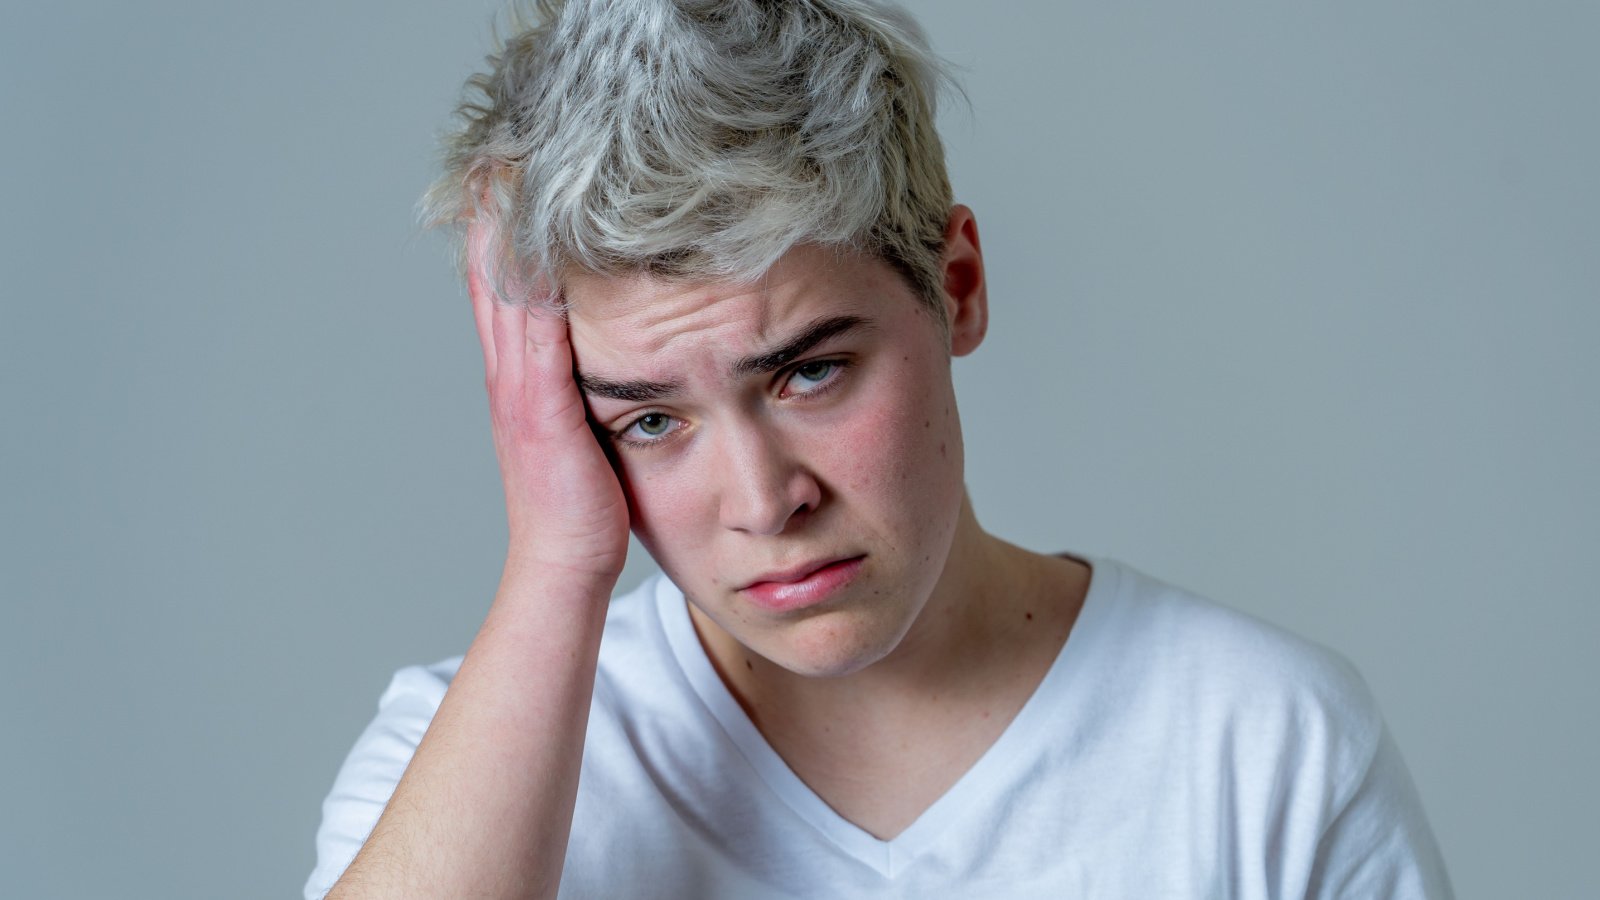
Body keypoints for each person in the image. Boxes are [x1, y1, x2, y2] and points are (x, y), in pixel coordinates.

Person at [306, 1, 1454, 897]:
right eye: (649, 420)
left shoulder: (1260, 742)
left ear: (954, 285)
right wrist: (557, 561)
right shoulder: (463, 755)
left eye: (809, 371)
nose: (762, 502)